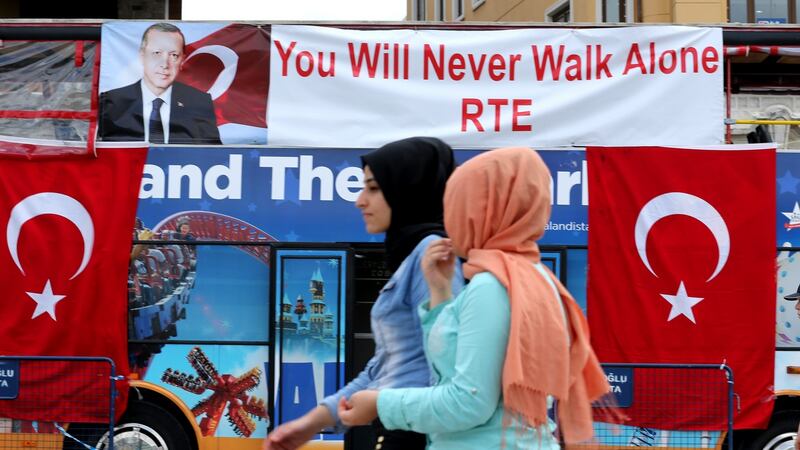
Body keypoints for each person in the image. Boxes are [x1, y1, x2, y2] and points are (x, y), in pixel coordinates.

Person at [338, 147, 610, 449]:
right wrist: (440, 293)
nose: (450, 215)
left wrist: (381, 404)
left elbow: (468, 403)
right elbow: (458, 367)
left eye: (458, 203)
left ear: (486, 210)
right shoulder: (536, 278)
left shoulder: (491, 287)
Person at [264, 137, 463, 450]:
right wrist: (310, 424)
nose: (360, 201)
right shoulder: (410, 257)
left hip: (418, 434)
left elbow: (447, 364)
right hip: (402, 430)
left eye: (373, 188)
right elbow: (384, 366)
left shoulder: (431, 255)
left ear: (405, 190)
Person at [99, 22, 222, 145]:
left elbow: (213, 154)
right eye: (157, 53)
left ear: (182, 61)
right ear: (142, 55)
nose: (165, 64)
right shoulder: (113, 102)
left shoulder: (199, 102)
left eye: (174, 55)